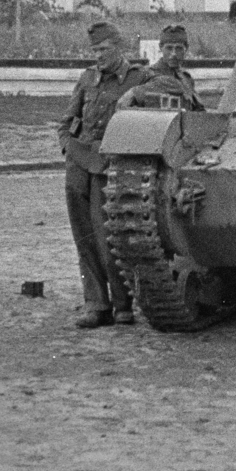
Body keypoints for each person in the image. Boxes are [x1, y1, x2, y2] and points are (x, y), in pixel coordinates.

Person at [58, 20, 149, 328]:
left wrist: (135, 92)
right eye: (94, 50)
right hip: (79, 165)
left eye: (103, 49)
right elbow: (68, 119)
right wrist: (67, 148)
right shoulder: (86, 79)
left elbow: (171, 85)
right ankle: (96, 304)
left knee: (110, 238)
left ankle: (123, 305)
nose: (97, 55)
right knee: (84, 240)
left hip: (111, 166)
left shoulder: (139, 78)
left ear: (119, 48)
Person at [119, 23, 205, 111]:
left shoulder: (186, 79)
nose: (174, 54)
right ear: (160, 47)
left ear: (186, 48)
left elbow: (199, 112)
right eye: (169, 48)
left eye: (178, 48)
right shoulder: (146, 74)